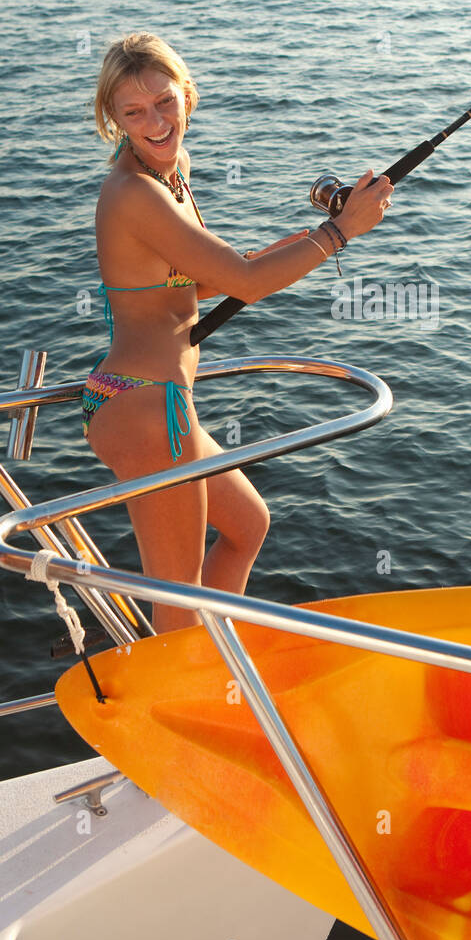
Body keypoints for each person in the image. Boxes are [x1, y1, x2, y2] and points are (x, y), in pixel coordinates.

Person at [83, 32, 393, 633]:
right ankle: (185, 696)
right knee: (178, 606)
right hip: (146, 409)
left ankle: (212, 665)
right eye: (134, 112)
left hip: (156, 401)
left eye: (165, 102)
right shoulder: (134, 193)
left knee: (248, 526)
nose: (155, 121)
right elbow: (247, 283)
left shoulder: (169, 175)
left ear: (187, 96)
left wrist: (323, 230)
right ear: (112, 119)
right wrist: (340, 233)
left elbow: (205, 281)